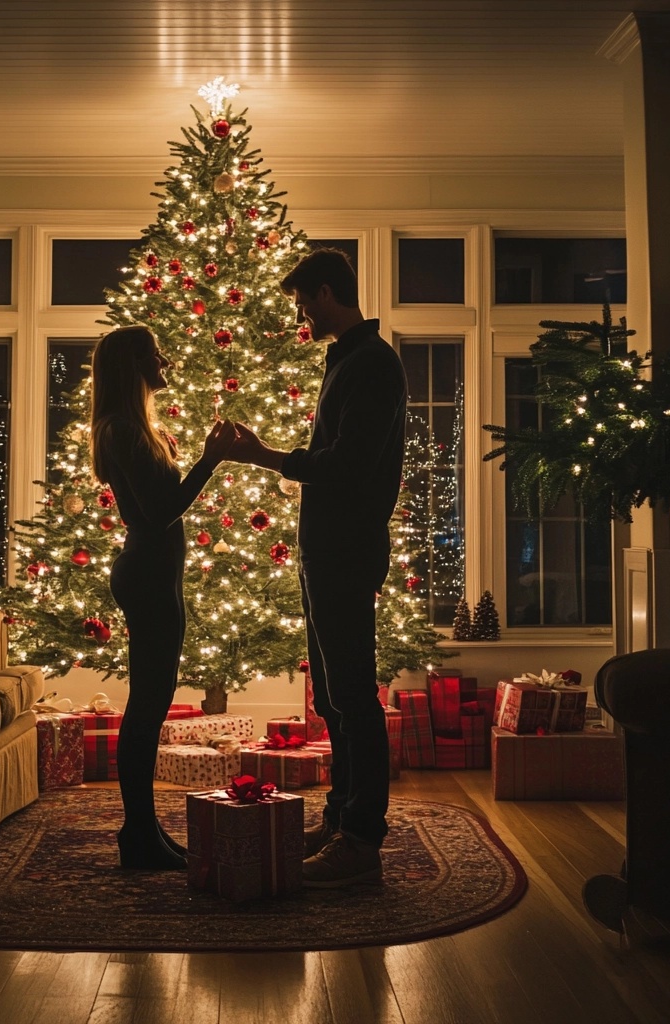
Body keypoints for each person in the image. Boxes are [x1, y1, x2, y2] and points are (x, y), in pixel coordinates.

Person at [230, 247, 408, 887]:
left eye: (304, 301)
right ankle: (340, 819)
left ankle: (362, 840)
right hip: (324, 550)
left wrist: (266, 457)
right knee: (333, 698)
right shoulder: (349, 361)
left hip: (346, 550)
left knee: (354, 696)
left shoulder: (372, 366)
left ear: (328, 292)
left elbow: (346, 464)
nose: (301, 313)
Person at [90, 325, 238, 870]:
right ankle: (138, 835)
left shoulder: (133, 427)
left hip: (155, 577)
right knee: (147, 708)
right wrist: (210, 459)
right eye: (156, 354)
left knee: (150, 705)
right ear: (134, 365)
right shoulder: (122, 430)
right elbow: (158, 513)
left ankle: (145, 831)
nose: (166, 359)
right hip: (148, 577)